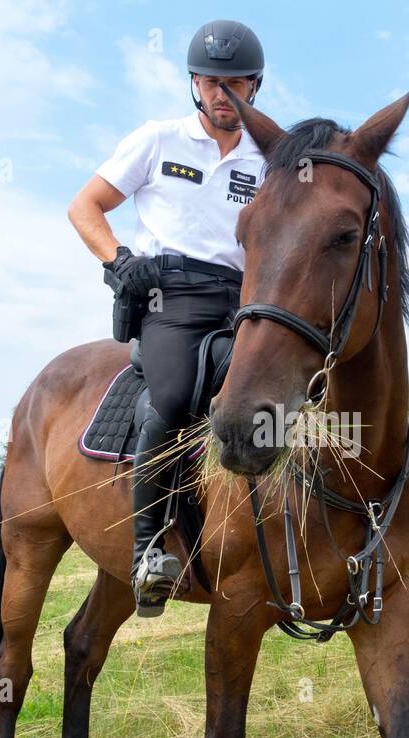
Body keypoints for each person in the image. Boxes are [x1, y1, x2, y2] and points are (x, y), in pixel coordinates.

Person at [67, 20, 267, 615]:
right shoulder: (158, 140)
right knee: (174, 396)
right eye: (210, 82)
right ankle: (148, 552)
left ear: (255, 86)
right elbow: (85, 206)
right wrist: (118, 259)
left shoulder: (272, 158)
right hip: (168, 301)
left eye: (234, 84)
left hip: (242, 300)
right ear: (194, 84)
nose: (221, 95)